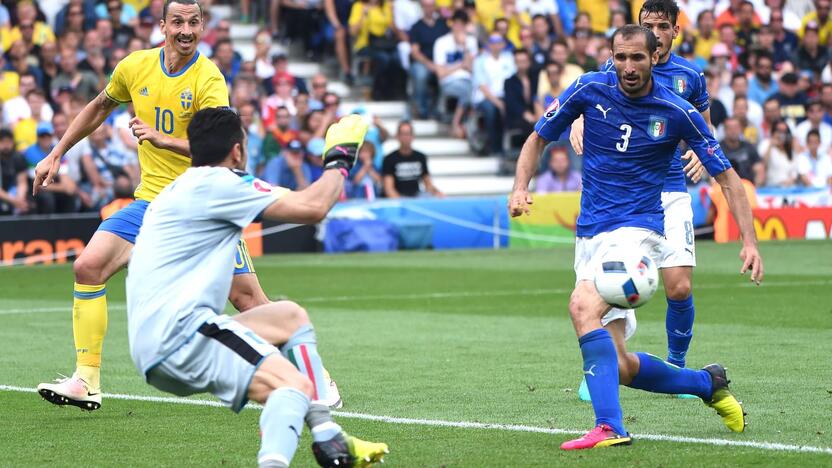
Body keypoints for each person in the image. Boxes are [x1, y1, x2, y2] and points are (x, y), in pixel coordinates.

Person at [33, 0, 339, 412]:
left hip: (202, 208)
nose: (185, 30)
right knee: (88, 266)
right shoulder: (134, 66)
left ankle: (315, 376)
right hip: (150, 204)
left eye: (193, 22)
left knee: (248, 300)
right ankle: (86, 380)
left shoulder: (208, 78)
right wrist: (57, 153)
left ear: (202, 26)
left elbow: (222, 148)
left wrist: (164, 138)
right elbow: (99, 106)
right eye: (177, 21)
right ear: (162, 25)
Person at [511, 24, 763, 450]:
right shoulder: (589, 88)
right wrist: (520, 186)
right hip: (590, 233)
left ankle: (610, 427)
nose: (628, 67)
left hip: (638, 232)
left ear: (654, 57)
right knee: (621, 365)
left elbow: (729, 178)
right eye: (621, 57)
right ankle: (708, 383)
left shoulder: (675, 109)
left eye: (637, 58)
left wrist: (750, 241)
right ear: (611, 57)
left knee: (581, 306)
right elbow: (538, 137)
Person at [127, 108, 388, 467]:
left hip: (156, 337)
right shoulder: (221, 185)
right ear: (237, 151)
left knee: (289, 317)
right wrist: (339, 159)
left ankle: (329, 437)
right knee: (293, 387)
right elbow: (313, 207)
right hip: (181, 336)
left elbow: (244, 290)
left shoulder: (178, 190)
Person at [570, 0, 714, 402]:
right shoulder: (616, 70)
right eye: (649, 24)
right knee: (601, 286)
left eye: (663, 25)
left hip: (671, 190)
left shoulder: (690, 77)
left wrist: (701, 157)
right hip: (621, 196)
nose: (658, 31)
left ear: (674, 31)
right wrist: (578, 124)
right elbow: (587, 103)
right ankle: (605, 364)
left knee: (680, 288)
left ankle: (678, 365)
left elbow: (704, 127)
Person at [382, 120, 443, 197]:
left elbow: (428, 183)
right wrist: (401, 203)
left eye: (408, 134)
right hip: (399, 197)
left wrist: (437, 192)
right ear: (397, 136)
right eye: (403, 134)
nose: (406, 137)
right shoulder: (389, 159)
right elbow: (389, 188)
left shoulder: (420, 157)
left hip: (417, 196)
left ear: (413, 136)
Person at [720, 116, 766, 185]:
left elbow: (759, 169)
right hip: (727, 188)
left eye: (736, 128)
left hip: (749, 187)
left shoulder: (748, 146)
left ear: (741, 129)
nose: (733, 131)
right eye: (730, 128)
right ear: (725, 130)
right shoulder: (718, 149)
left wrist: (756, 187)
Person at [759, 119, 798, 187]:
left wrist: (791, 180)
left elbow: (795, 170)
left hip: (789, 187)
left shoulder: (790, 148)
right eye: (779, 131)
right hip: (772, 187)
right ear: (773, 131)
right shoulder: (766, 144)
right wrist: (771, 145)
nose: (781, 134)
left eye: (784, 132)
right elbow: (763, 164)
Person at [0, 129, 30, 215]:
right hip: (4, 195)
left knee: (27, 205)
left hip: (14, 193)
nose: (6, 145)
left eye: (8, 141)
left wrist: (19, 199)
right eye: (2, 141)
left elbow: (22, 182)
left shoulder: (18, 157)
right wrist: (13, 200)